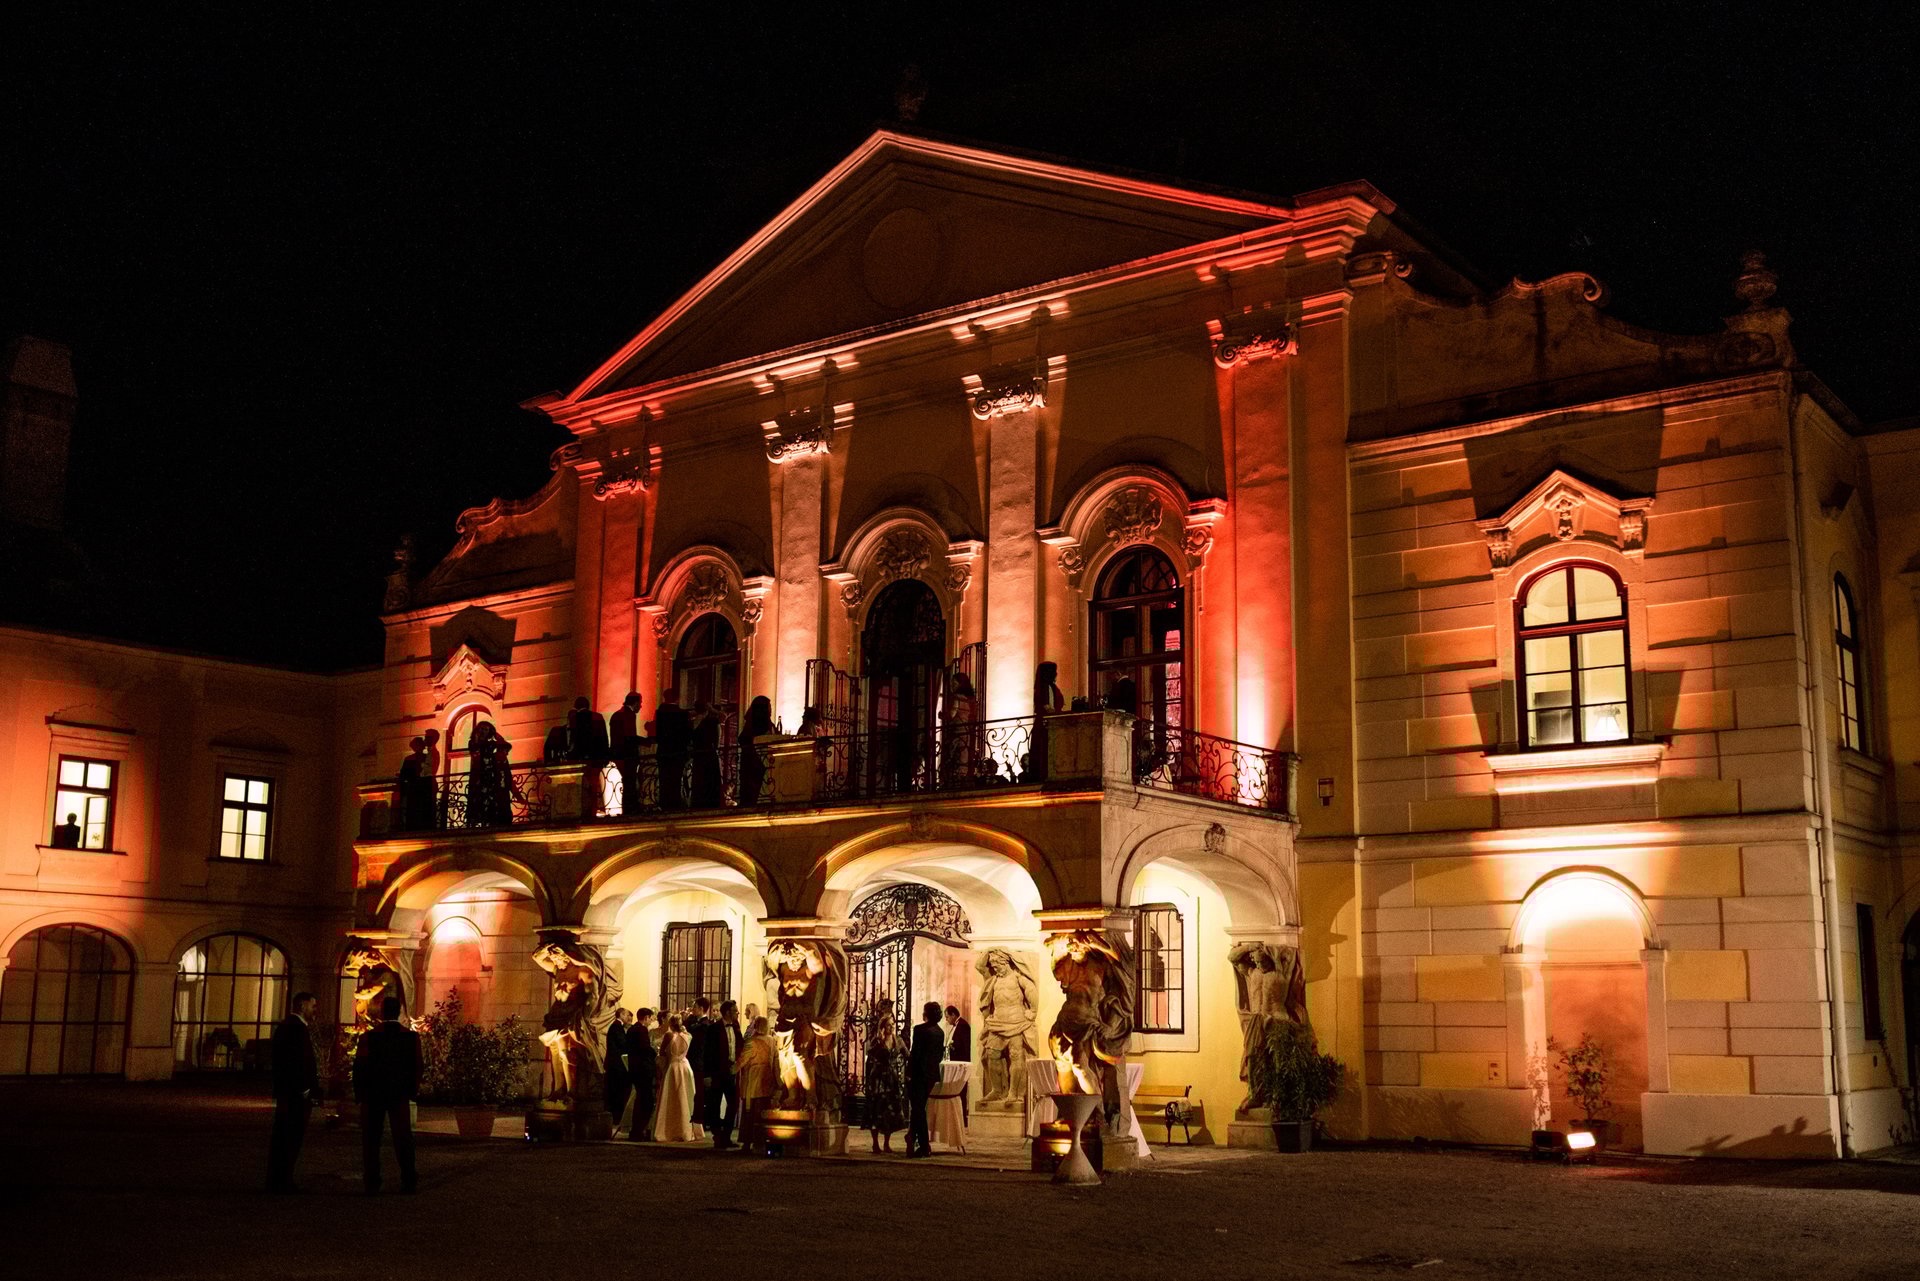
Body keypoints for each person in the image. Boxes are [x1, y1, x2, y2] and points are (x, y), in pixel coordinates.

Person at [354, 994, 421, 1195]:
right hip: (399, 1094)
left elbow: (360, 1067)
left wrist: (360, 1093)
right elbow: (417, 1067)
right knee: (403, 1138)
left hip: (373, 1095)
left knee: (372, 1139)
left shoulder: (368, 1037)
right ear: (399, 1012)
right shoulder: (410, 1037)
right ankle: (408, 1180)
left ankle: (372, 1182)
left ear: (382, 1013)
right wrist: (411, 1091)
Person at [266, 990, 321, 1193]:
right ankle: (283, 1179)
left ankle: (278, 1178)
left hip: (287, 1092)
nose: (315, 1010)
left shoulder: (287, 1027)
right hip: (296, 1094)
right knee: (290, 1136)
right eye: (312, 1006)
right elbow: (297, 1062)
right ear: (302, 1006)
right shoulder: (296, 1029)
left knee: (283, 1136)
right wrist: (305, 1089)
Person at [862, 998, 909, 1153]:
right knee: (876, 1111)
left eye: (892, 1025)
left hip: (892, 1079)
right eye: (888, 1025)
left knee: (890, 1112)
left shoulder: (898, 1040)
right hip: (878, 1079)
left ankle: (887, 1142)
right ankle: (875, 1142)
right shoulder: (876, 1041)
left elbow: (907, 1055)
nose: (891, 1028)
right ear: (882, 1026)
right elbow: (870, 1056)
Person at [907, 1000, 945, 1158]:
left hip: (918, 1074)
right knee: (919, 1108)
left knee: (917, 1109)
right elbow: (939, 1055)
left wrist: (909, 1072)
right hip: (931, 1075)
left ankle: (922, 1144)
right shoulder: (940, 1032)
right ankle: (912, 1137)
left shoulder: (920, 1030)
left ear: (926, 1013)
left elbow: (915, 1053)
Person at [703, 999, 743, 1149]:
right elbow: (708, 1052)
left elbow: (740, 1046)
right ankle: (717, 1135)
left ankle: (726, 1135)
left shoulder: (736, 1027)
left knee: (732, 1104)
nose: (737, 1013)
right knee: (715, 1104)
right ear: (727, 1012)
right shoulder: (714, 1029)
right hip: (717, 1071)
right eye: (735, 1011)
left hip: (731, 1071)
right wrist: (707, 1075)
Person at [735, 1015, 778, 1150]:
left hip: (752, 1081)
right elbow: (776, 1062)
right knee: (763, 1112)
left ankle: (748, 1141)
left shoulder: (750, 1042)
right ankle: (763, 1140)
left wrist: (730, 1070)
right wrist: (778, 1081)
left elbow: (742, 1061)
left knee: (750, 1113)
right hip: (767, 1079)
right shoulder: (772, 1041)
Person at [655, 1014, 699, 1142]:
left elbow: (662, 1053)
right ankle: (687, 1129)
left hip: (673, 1067)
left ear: (670, 1023)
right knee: (687, 1097)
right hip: (685, 1067)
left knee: (672, 1098)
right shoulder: (688, 1036)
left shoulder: (669, 1035)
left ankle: (670, 1129)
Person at [941, 672, 981, 787]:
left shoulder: (957, 697)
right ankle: (963, 777)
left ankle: (954, 781)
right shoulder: (970, 699)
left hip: (957, 729)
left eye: (954, 684)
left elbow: (952, 714)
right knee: (964, 754)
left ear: (960, 685)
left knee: (954, 753)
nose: (952, 686)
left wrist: (942, 715)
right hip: (967, 730)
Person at [655, 690, 692, 809]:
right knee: (675, 779)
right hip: (678, 752)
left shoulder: (660, 712)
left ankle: (664, 802)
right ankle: (674, 803)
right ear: (677, 698)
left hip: (663, 751)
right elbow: (687, 734)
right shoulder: (682, 714)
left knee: (664, 778)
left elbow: (658, 733)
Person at [609, 692, 643, 815]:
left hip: (618, 754)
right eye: (640, 703)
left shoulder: (617, 715)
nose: (641, 706)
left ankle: (628, 808)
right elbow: (629, 737)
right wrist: (645, 741)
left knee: (628, 781)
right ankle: (630, 808)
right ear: (634, 703)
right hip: (628, 755)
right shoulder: (629, 715)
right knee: (630, 782)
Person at [1031, 661, 1065, 783]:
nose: (1056, 674)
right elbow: (1048, 707)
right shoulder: (1046, 687)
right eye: (1054, 671)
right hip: (1046, 726)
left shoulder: (1046, 687)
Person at [738, 695, 774, 805]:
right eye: (769, 706)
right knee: (755, 786)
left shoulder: (751, 724)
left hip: (751, 760)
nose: (771, 709)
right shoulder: (761, 724)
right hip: (757, 761)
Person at [627, 1008, 657, 1141]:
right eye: (650, 1018)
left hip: (634, 1068)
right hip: (643, 1070)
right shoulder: (641, 1030)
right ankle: (639, 1130)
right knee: (646, 1101)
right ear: (645, 1017)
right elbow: (645, 1049)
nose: (651, 1021)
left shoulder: (631, 1030)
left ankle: (636, 1130)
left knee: (640, 1099)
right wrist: (654, 1052)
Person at [689, 699, 723, 808]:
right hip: (709, 754)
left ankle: (698, 802)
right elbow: (723, 716)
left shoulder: (692, 722)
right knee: (710, 781)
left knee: (699, 781)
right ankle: (711, 803)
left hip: (698, 755)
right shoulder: (710, 722)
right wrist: (713, 710)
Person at [606, 1008, 633, 1133]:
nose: (628, 1017)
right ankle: (616, 1117)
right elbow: (623, 1044)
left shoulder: (617, 1026)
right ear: (621, 1014)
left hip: (615, 1065)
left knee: (616, 1091)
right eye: (627, 1014)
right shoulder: (617, 1027)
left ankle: (616, 1116)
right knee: (617, 1091)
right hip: (616, 1065)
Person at [945, 1004, 972, 1124]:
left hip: (960, 1064)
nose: (946, 1019)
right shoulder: (957, 1026)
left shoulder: (963, 1026)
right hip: (955, 1063)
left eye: (947, 1017)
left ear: (953, 1015)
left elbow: (965, 1046)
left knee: (961, 1091)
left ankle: (962, 1118)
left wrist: (954, 1047)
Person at [568, 695, 610, 763]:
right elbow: (604, 737)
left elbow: (573, 738)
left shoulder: (575, 718)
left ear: (576, 707)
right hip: (598, 755)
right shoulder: (598, 716)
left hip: (581, 756)